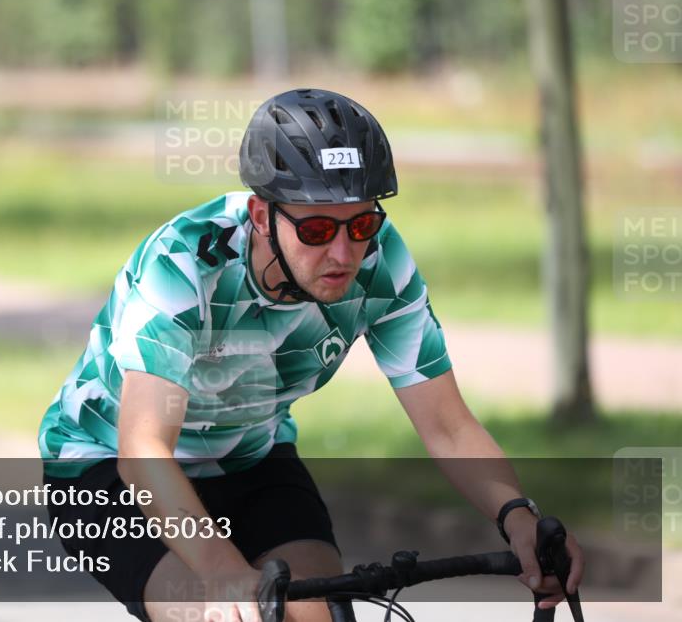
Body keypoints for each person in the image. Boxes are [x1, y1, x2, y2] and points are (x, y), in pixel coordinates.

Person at [37, 88, 584, 622]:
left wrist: (518, 517)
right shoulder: (184, 266)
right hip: (107, 469)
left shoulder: (380, 263)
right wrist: (222, 569)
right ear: (261, 215)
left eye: (361, 224)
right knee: (217, 614)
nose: (343, 253)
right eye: (317, 229)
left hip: (251, 457)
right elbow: (143, 448)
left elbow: (447, 425)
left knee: (316, 613)